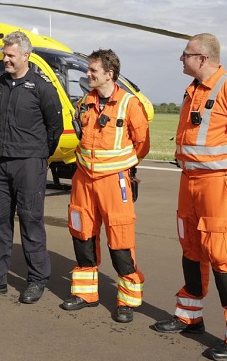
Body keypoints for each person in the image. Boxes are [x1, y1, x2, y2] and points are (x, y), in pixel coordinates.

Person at [153, 33, 227, 360]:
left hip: (217, 184)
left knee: (221, 255)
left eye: (185, 54)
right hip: (190, 182)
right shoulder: (192, 90)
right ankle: (189, 316)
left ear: (203, 58)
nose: (181, 59)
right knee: (191, 247)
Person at [0, 31, 63, 304]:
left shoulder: (42, 88)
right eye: (4, 55)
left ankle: (36, 280)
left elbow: (53, 128)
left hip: (29, 163)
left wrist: (39, 156)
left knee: (31, 222)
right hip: (1, 162)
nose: (5, 60)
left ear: (25, 56)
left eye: (10, 55)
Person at [60, 49, 150, 323]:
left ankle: (127, 301)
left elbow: (142, 144)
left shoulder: (129, 104)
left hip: (114, 182)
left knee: (120, 239)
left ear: (109, 74)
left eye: (93, 71)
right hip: (83, 180)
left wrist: (121, 166)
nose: (87, 74)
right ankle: (86, 294)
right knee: (82, 234)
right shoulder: (85, 101)